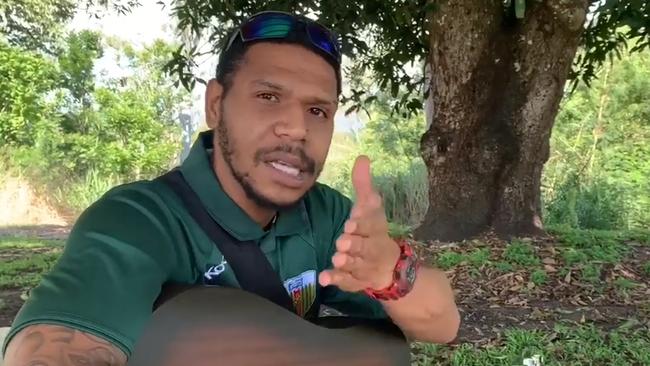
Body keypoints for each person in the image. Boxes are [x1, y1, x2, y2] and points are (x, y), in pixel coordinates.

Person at [2, 11, 460, 365]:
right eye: (268, 97)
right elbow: (52, 349)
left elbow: (444, 323)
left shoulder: (328, 216)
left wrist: (387, 270)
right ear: (216, 104)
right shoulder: (138, 221)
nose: (296, 129)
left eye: (318, 111)